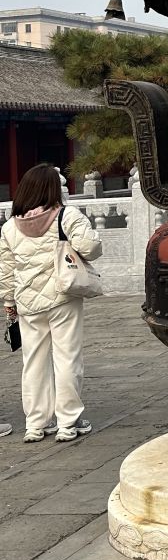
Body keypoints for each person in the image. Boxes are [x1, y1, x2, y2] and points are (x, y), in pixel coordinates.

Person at [0, 164, 101, 443]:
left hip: (28, 301)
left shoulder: (10, 227)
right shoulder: (66, 216)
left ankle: (35, 424)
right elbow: (91, 248)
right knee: (67, 358)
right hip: (63, 296)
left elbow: (6, 269)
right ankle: (68, 422)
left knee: (33, 362)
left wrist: (9, 301)